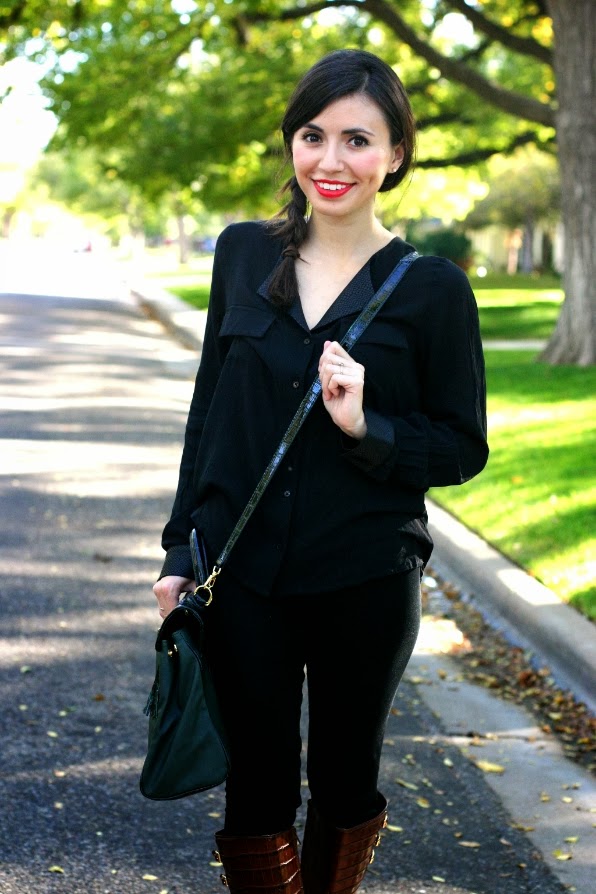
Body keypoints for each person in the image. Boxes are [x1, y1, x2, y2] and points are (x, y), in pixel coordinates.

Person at [153, 49, 488, 894]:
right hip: (242, 576)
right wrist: (178, 551)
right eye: (312, 135)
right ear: (292, 143)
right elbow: (209, 414)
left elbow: (462, 447)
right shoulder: (242, 253)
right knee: (254, 788)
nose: (330, 160)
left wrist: (367, 427)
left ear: (396, 154)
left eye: (357, 140)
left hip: (364, 576)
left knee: (344, 781)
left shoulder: (433, 290)